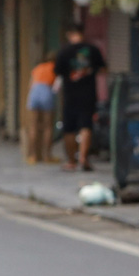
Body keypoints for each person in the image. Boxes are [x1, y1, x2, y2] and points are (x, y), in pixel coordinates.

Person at [52, 24, 107, 172]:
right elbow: (102, 69)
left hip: (70, 95)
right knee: (86, 126)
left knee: (69, 128)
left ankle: (71, 161)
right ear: (82, 33)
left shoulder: (64, 52)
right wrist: (88, 71)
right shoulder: (93, 50)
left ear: (69, 34)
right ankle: (83, 158)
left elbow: (57, 72)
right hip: (88, 93)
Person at [23, 56, 57, 165]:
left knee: (33, 126)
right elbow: (57, 87)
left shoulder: (38, 68)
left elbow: (30, 85)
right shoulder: (54, 67)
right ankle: (47, 155)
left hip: (34, 93)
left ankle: (33, 156)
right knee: (48, 127)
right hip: (47, 91)